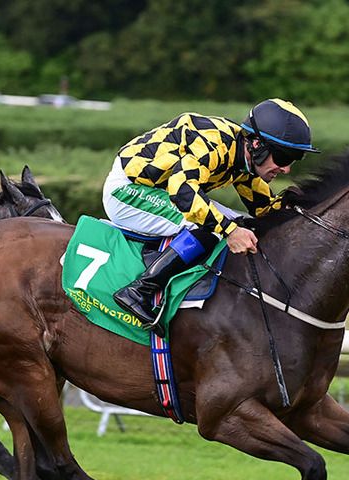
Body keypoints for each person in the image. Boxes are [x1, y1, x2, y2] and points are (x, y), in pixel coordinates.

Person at [105, 98, 319, 329]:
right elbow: (183, 192)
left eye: (294, 160)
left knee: (240, 223)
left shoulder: (244, 158)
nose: (286, 169)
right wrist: (228, 231)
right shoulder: (214, 145)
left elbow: (262, 210)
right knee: (209, 228)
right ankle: (139, 291)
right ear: (257, 145)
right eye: (283, 158)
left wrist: (296, 207)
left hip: (160, 190)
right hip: (128, 191)